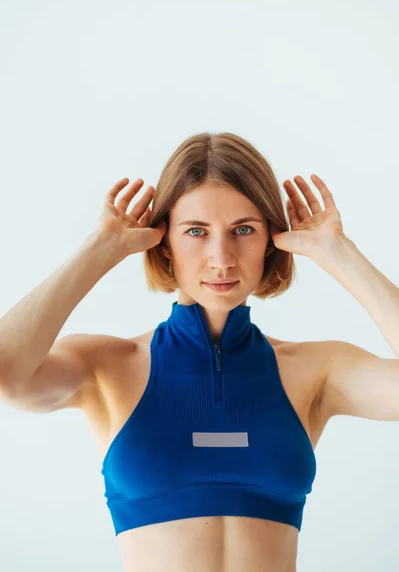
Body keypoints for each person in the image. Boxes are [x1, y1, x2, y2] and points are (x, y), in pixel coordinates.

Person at [1, 132, 398, 572]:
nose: (221, 258)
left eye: (243, 230)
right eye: (196, 231)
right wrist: (99, 250)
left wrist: (339, 253)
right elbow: (7, 376)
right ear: (163, 241)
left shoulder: (315, 371)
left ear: (272, 238)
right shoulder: (106, 367)